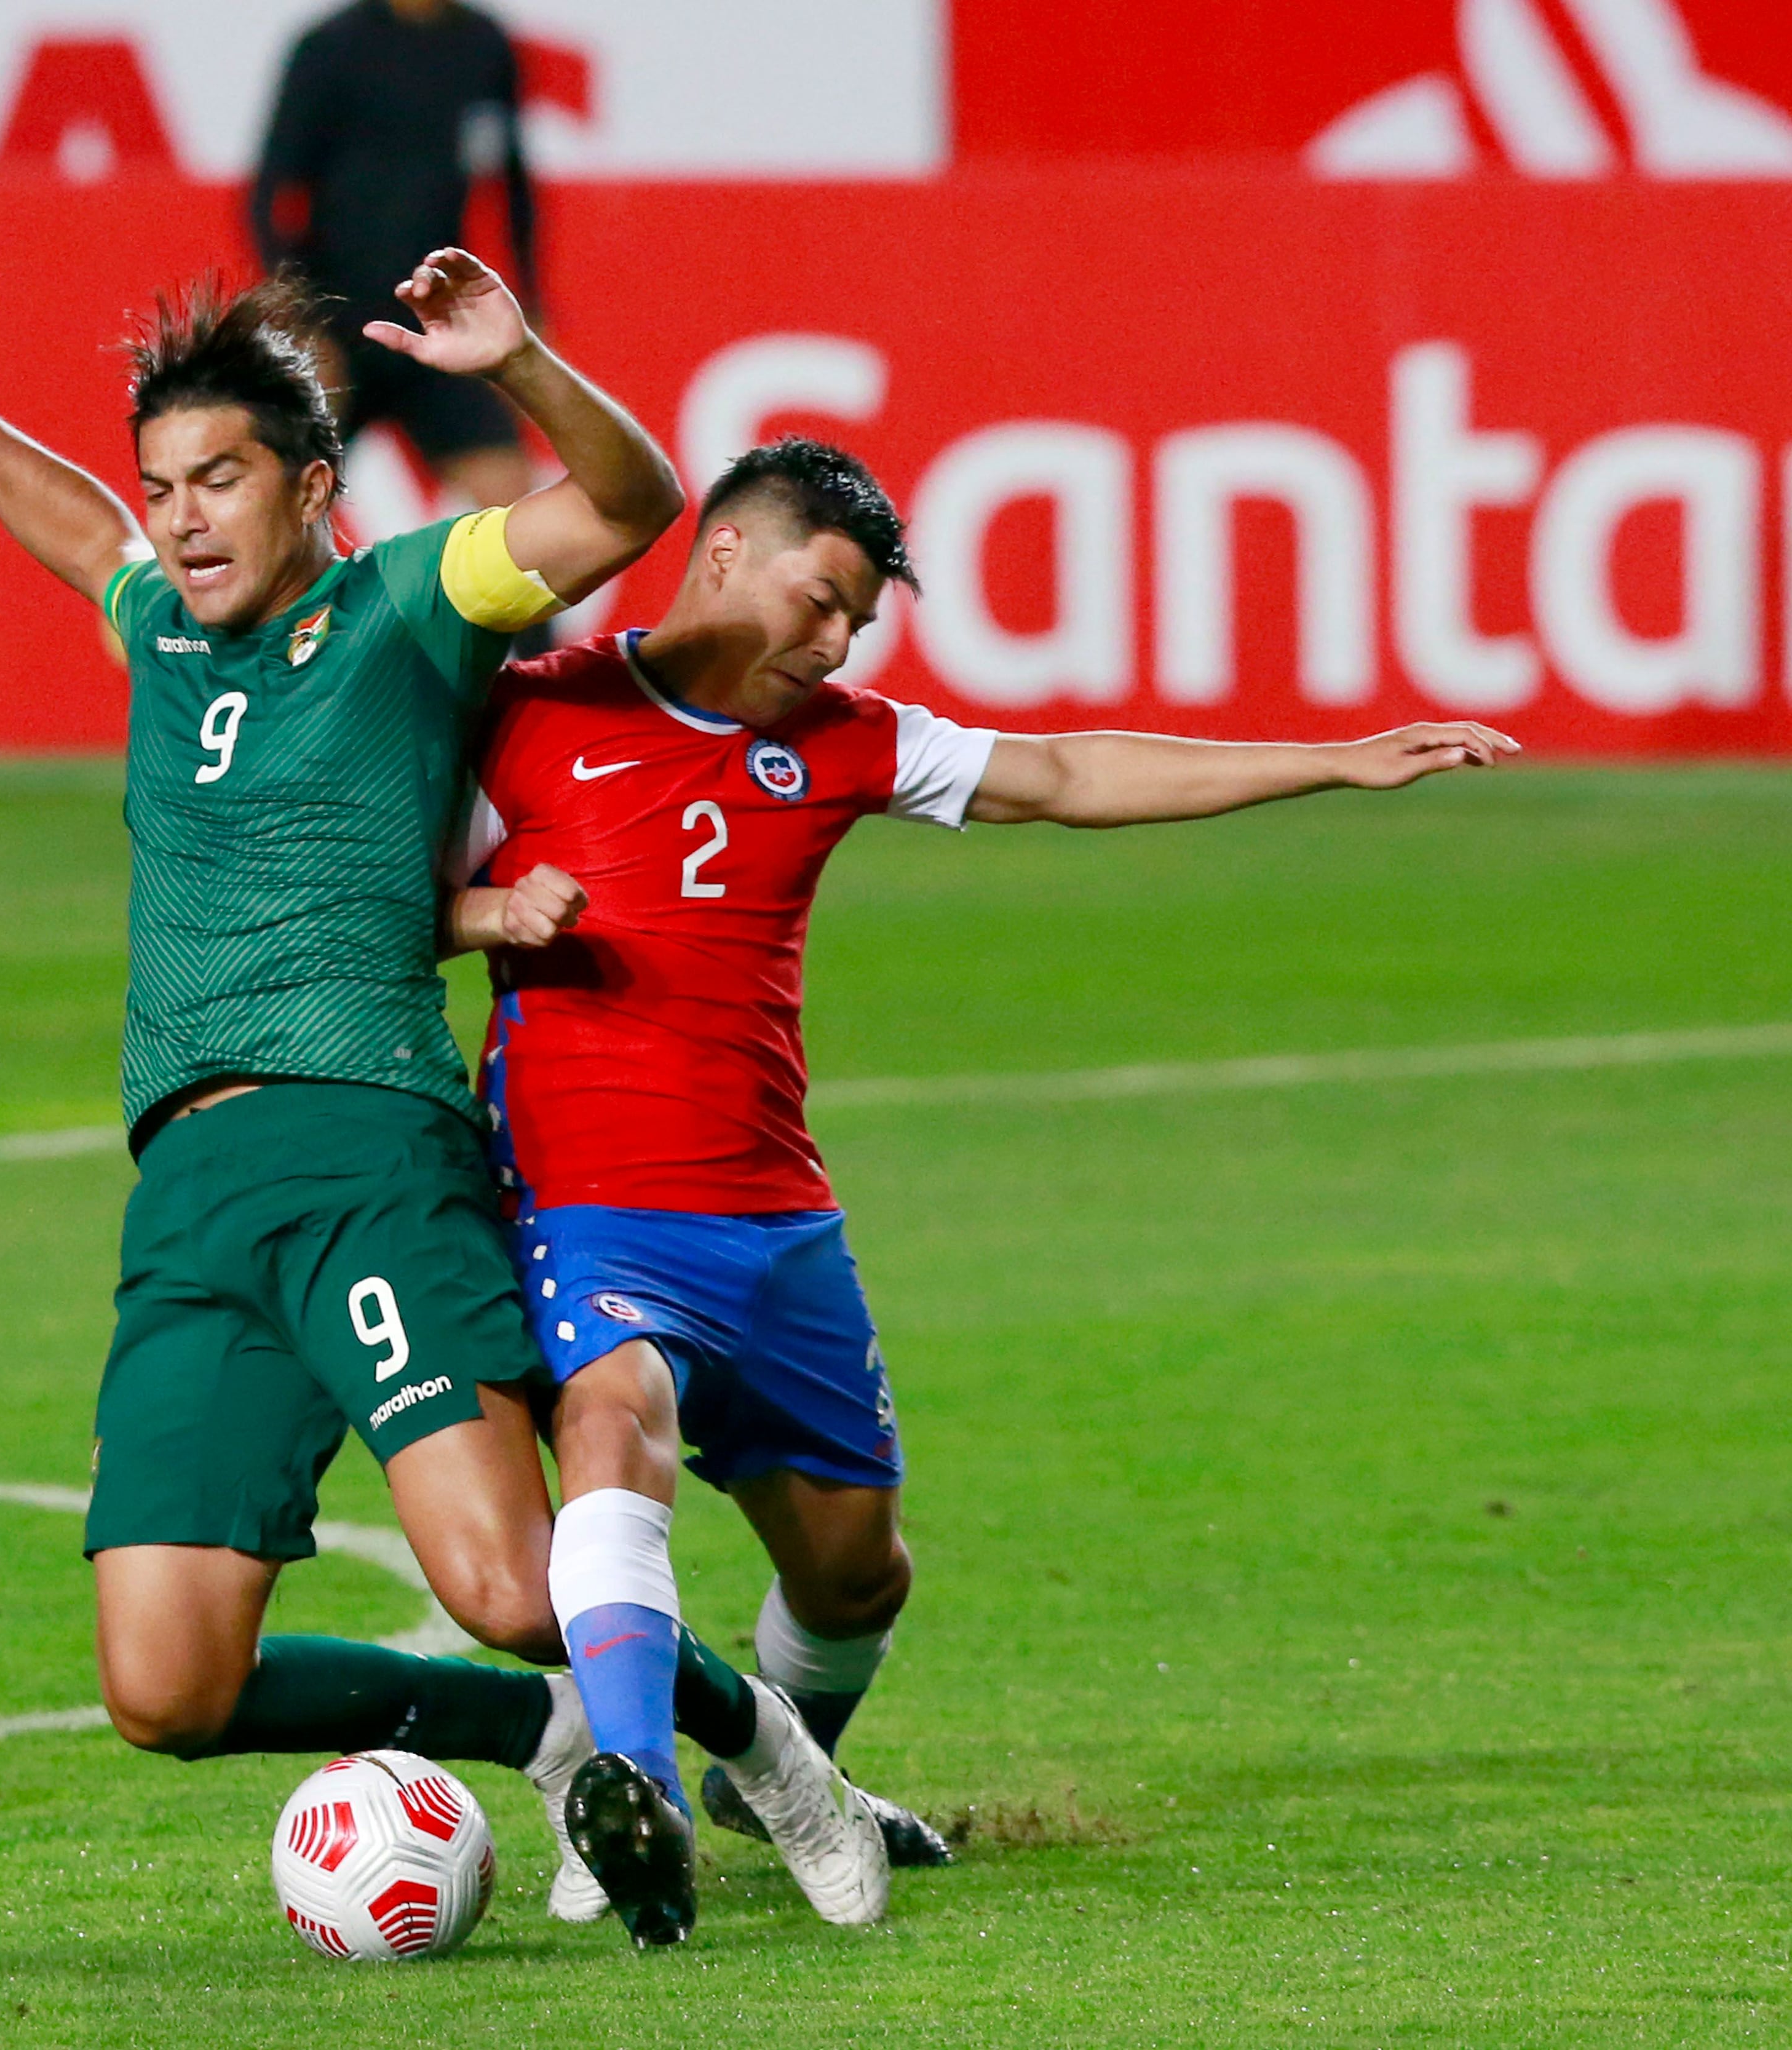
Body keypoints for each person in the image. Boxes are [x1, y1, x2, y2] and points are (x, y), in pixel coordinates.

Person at [0, 250, 868, 1950]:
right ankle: (536, 1737)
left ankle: (765, 1747)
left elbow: (631, 499)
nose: (178, 521)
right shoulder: (155, 615)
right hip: (189, 1196)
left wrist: (514, 359)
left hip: (371, 1150)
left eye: (218, 480)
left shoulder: (410, 599)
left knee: (518, 1588)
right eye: (164, 487)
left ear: (311, 485)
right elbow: (75, 526)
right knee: (165, 1682)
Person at [446, 435, 1521, 1928]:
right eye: (817, 599)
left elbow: (1067, 772)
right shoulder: (530, 718)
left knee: (855, 1581)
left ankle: (779, 1773)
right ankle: (620, 1802)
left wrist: (1333, 759)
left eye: (855, 623)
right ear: (721, 555)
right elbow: (367, 899)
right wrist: (490, 910)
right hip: (591, 1205)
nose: (830, 640)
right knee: (613, 1425)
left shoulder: (839, 737)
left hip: (777, 1224)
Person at [252, 0, 540, 519]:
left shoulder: (483, 44)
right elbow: (268, 197)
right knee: (274, 506)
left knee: (521, 513)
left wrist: (532, 309)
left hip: (435, 321)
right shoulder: (331, 46)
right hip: (339, 322)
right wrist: (301, 319)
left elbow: (514, 185)